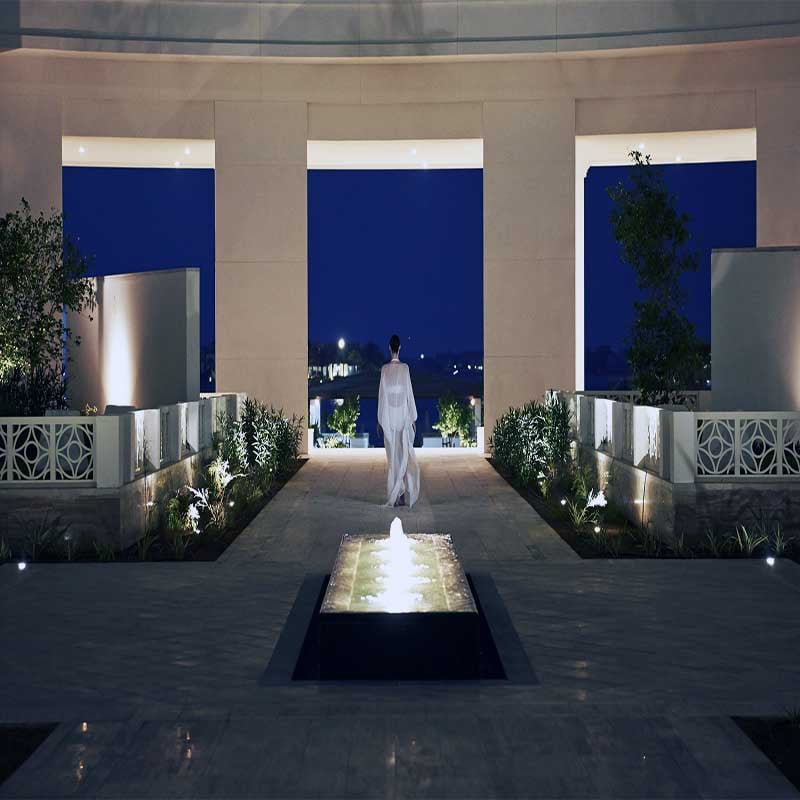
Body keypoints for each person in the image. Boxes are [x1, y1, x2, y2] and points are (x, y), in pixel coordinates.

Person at [377, 334, 420, 507]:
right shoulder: (405, 368)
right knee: (402, 455)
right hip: (402, 416)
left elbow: (382, 396)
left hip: (389, 417)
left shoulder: (384, 369)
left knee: (393, 456)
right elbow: (409, 394)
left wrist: (380, 419)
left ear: (389, 348)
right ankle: (400, 494)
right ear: (399, 347)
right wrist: (413, 418)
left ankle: (398, 493)